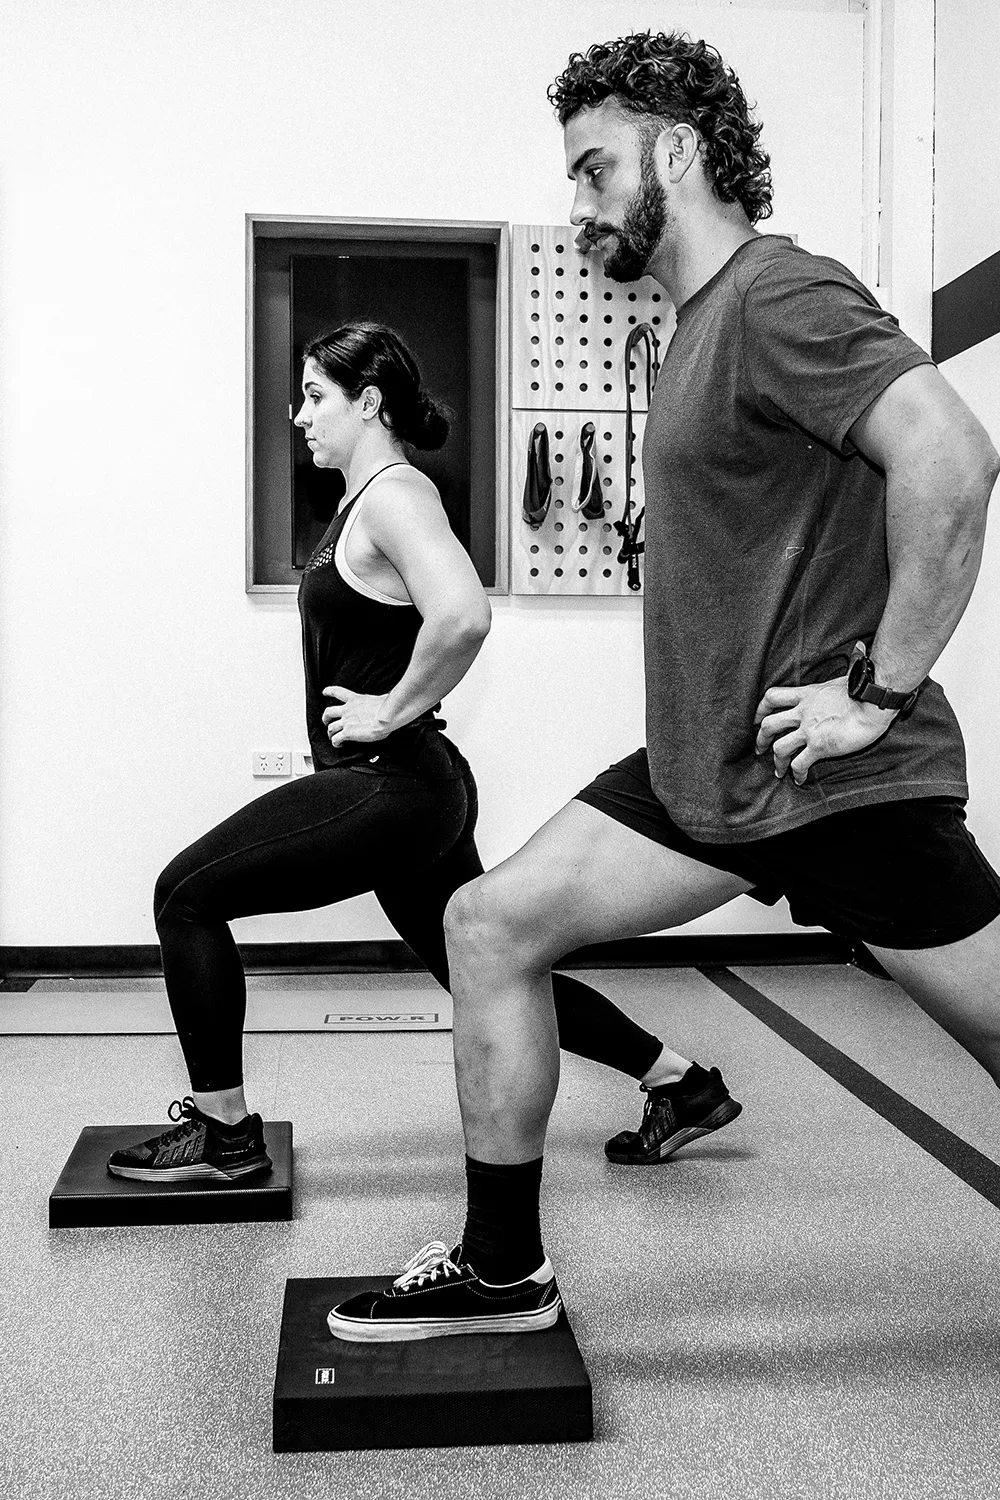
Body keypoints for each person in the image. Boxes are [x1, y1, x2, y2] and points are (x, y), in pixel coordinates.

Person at [326, 31, 1000, 1344]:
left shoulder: (773, 296)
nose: (577, 208)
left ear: (678, 152)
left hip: (840, 779)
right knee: (489, 927)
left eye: (594, 170)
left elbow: (953, 457)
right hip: (710, 773)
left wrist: (879, 685)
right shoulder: (692, 329)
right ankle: (507, 1270)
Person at [106, 319, 737, 1185]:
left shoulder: (397, 495)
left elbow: (464, 613)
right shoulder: (360, 504)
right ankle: (682, 1083)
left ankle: (225, 1135)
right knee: (483, 965)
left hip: (391, 783)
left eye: (316, 396)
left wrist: (389, 711)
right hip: (412, 788)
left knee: (182, 895)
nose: (300, 415)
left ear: (369, 403)